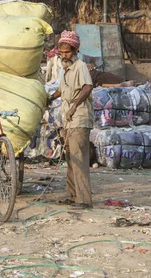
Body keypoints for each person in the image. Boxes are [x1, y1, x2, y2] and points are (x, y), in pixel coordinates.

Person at [49, 31, 94, 210]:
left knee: (79, 159)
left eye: (67, 52)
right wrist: (50, 98)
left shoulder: (80, 66)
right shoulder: (65, 70)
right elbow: (61, 90)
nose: (64, 55)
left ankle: (84, 199)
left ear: (75, 50)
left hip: (79, 118)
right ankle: (72, 195)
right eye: (62, 52)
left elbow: (87, 86)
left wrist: (75, 106)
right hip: (68, 120)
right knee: (70, 159)